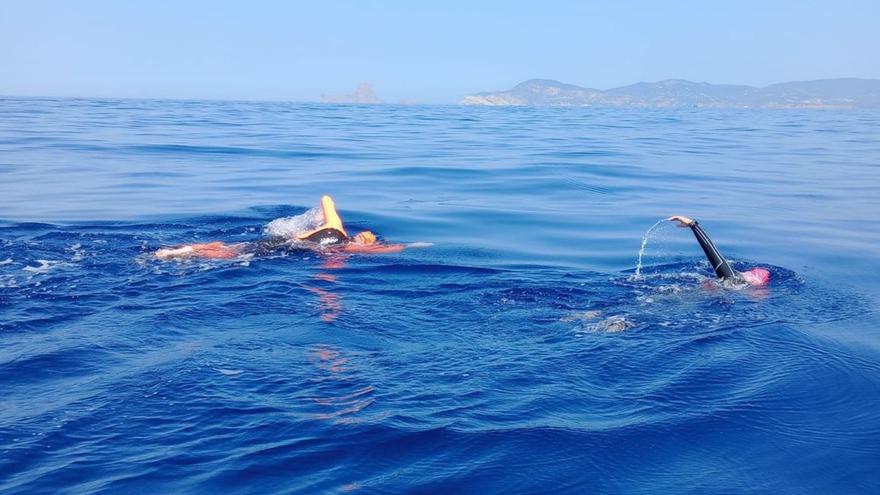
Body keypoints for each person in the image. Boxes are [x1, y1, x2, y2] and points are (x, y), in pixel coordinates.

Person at [155, 195, 404, 260]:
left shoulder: (342, 238)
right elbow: (390, 250)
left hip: (291, 247)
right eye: (368, 236)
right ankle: (182, 253)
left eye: (368, 237)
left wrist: (316, 220)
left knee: (234, 249)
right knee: (233, 252)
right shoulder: (341, 236)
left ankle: (186, 250)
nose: (366, 236)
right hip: (289, 249)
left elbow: (327, 198)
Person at [667, 215, 770, 286]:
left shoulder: (732, 277)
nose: (746, 272)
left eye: (749, 273)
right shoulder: (744, 287)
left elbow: (712, 251)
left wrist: (693, 224)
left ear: (752, 279)